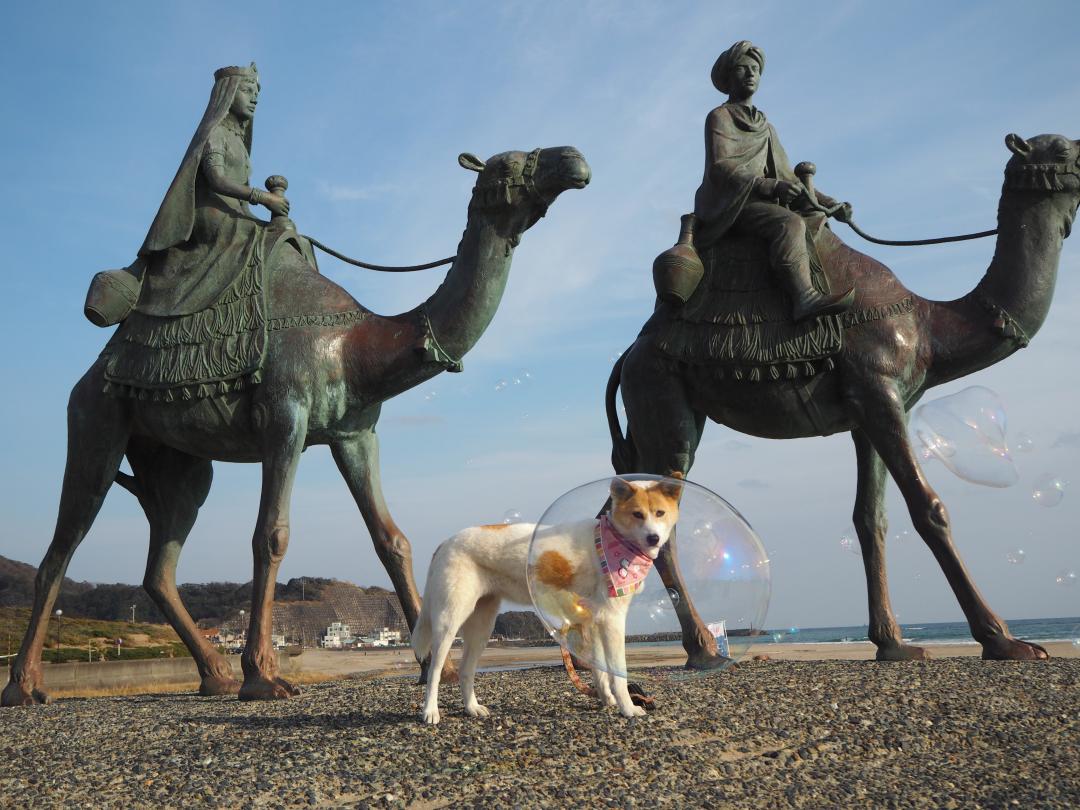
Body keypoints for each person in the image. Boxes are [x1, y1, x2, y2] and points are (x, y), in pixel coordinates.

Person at [693, 41, 855, 322]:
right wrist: (768, 186)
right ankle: (804, 297)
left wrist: (830, 204)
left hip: (762, 198)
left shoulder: (766, 126)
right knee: (789, 223)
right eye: (743, 69)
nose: (751, 74)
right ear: (729, 76)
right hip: (734, 204)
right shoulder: (719, 117)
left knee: (815, 216)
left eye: (755, 70)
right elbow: (721, 167)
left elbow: (787, 175)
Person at [135, 62, 293, 318]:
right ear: (228, 94)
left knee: (283, 234)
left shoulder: (239, 142)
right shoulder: (216, 133)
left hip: (235, 212)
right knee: (254, 235)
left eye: (256, 93)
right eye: (247, 90)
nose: (254, 99)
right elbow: (217, 180)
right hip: (211, 215)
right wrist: (262, 197)